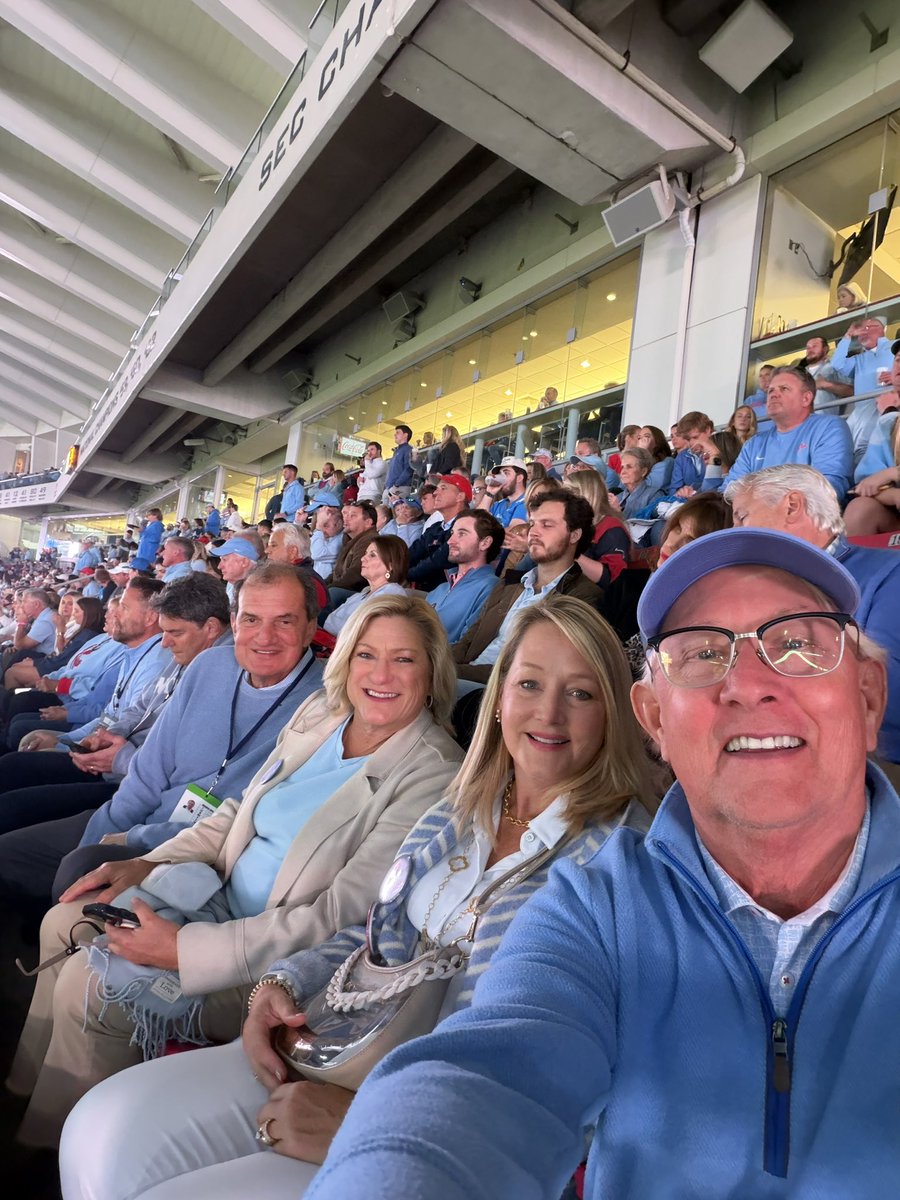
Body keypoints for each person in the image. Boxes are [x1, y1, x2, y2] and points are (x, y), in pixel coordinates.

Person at [294, 526, 897, 1200]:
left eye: (795, 645)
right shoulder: (595, 903)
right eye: (703, 653)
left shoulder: (588, 849)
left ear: (870, 697)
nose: (748, 685)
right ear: (654, 721)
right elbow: (490, 1078)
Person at [59, 596, 657, 1200]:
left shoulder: (621, 863)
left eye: (580, 693)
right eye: (529, 683)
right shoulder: (463, 807)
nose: (549, 713)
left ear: (615, 711)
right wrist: (283, 985)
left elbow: (579, 1062)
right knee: (101, 1132)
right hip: (339, 1036)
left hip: (436, 1118)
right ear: (499, 700)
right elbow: (376, 927)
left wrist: (370, 1117)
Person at [9, 593, 464, 1149]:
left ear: (432, 670)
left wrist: (183, 952)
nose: (381, 675)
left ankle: (51, 1150)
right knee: (65, 920)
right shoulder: (322, 714)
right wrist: (149, 860)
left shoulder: (432, 773)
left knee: (92, 985)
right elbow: (233, 814)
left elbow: (337, 919)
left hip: (274, 960)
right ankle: (24, 1089)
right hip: (214, 895)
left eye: (404, 659)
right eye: (367, 655)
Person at [0, 575, 238, 914]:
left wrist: (117, 758)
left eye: (174, 632)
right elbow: (134, 710)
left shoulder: (220, 675)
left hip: (131, 790)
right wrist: (87, 740)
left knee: (18, 813)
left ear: (212, 629)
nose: (165, 642)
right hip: (123, 779)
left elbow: (177, 772)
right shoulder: (180, 655)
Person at [726, 464, 900, 781]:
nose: (735, 532)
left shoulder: (891, 573)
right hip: (767, 748)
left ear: (792, 506)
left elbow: (890, 696)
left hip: (869, 767)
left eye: (742, 517)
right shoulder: (757, 589)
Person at [453, 488, 601, 682]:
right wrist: (435, 664)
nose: (533, 532)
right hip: (462, 679)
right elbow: (468, 641)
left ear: (574, 535)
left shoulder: (582, 596)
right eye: (532, 524)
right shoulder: (509, 583)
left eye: (546, 525)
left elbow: (533, 671)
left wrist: (447, 673)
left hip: (501, 692)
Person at [729, 366, 854, 503]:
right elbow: (730, 491)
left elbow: (828, 489)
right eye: (771, 390)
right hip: (752, 519)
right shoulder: (754, 444)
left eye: (784, 389)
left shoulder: (829, 428)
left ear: (806, 398)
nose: (773, 394)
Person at [426, 511, 504, 641]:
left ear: (485, 543)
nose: (450, 541)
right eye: (452, 533)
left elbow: (465, 647)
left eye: (461, 534)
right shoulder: (439, 590)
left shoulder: (491, 588)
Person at [830, 316, 895, 463]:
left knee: (883, 452)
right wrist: (847, 336)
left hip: (888, 409)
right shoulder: (859, 359)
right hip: (862, 415)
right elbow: (837, 364)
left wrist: (896, 376)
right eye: (859, 331)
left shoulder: (895, 346)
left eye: (867, 328)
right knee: (851, 452)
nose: (862, 334)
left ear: (880, 329)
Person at [323, 536, 409, 638]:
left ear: (390, 566)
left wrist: (333, 623)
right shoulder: (362, 594)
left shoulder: (393, 594)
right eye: (365, 554)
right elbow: (331, 621)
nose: (363, 558)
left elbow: (360, 632)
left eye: (372, 555)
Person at [564, 469, 631, 586]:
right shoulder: (576, 524)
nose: (561, 498)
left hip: (593, 599)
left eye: (567, 493)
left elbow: (612, 578)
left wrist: (566, 551)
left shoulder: (612, 529)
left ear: (586, 495)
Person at [407, 475, 471, 591]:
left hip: (445, 595)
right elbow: (410, 554)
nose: (435, 493)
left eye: (443, 488)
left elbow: (437, 562)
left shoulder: (466, 529)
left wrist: (402, 575)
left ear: (460, 496)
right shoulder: (435, 528)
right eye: (437, 488)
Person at [325, 502, 378, 608]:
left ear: (368, 522)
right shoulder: (350, 539)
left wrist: (325, 589)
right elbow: (336, 573)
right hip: (346, 590)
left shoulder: (369, 540)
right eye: (346, 515)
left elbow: (355, 574)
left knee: (332, 594)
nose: (346, 518)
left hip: (359, 594)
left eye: (353, 516)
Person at [669, 411, 715, 497]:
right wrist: (679, 493)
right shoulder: (682, 456)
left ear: (708, 430)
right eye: (688, 439)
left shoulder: (722, 450)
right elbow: (674, 490)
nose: (691, 443)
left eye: (695, 437)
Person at [802, 335, 851, 412]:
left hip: (826, 421)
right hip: (805, 421)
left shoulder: (835, 367)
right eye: (808, 348)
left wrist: (825, 385)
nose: (810, 350)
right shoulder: (800, 374)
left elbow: (851, 391)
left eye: (814, 346)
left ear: (825, 349)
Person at [209, 534, 263, 604]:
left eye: (224, 560)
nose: (219, 566)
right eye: (221, 560)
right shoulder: (232, 583)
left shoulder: (259, 590)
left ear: (244, 562)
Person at [477, 456, 528, 527]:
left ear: (519, 478)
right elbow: (476, 521)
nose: (502, 477)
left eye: (506, 473)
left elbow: (512, 534)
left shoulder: (527, 503)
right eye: (500, 474)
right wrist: (489, 493)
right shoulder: (499, 504)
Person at [613, 447, 663, 518]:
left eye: (629, 467)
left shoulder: (654, 496)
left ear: (643, 471)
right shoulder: (618, 498)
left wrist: (617, 512)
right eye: (622, 467)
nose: (623, 472)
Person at [308, 497, 345, 578]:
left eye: (326, 525)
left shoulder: (342, 538)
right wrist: (299, 522)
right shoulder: (325, 535)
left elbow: (316, 554)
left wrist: (319, 527)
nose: (323, 530)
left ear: (338, 523)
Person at [635, 426, 674, 491]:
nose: (641, 440)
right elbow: (624, 486)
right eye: (639, 438)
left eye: (646, 436)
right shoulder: (635, 460)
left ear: (657, 441)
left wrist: (643, 452)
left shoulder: (667, 461)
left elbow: (650, 486)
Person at [383, 424, 414, 502]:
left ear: (405, 435)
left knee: (396, 511)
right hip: (390, 488)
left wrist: (397, 484)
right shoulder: (397, 451)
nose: (395, 434)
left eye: (398, 432)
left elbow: (409, 468)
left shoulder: (408, 450)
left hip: (400, 488)